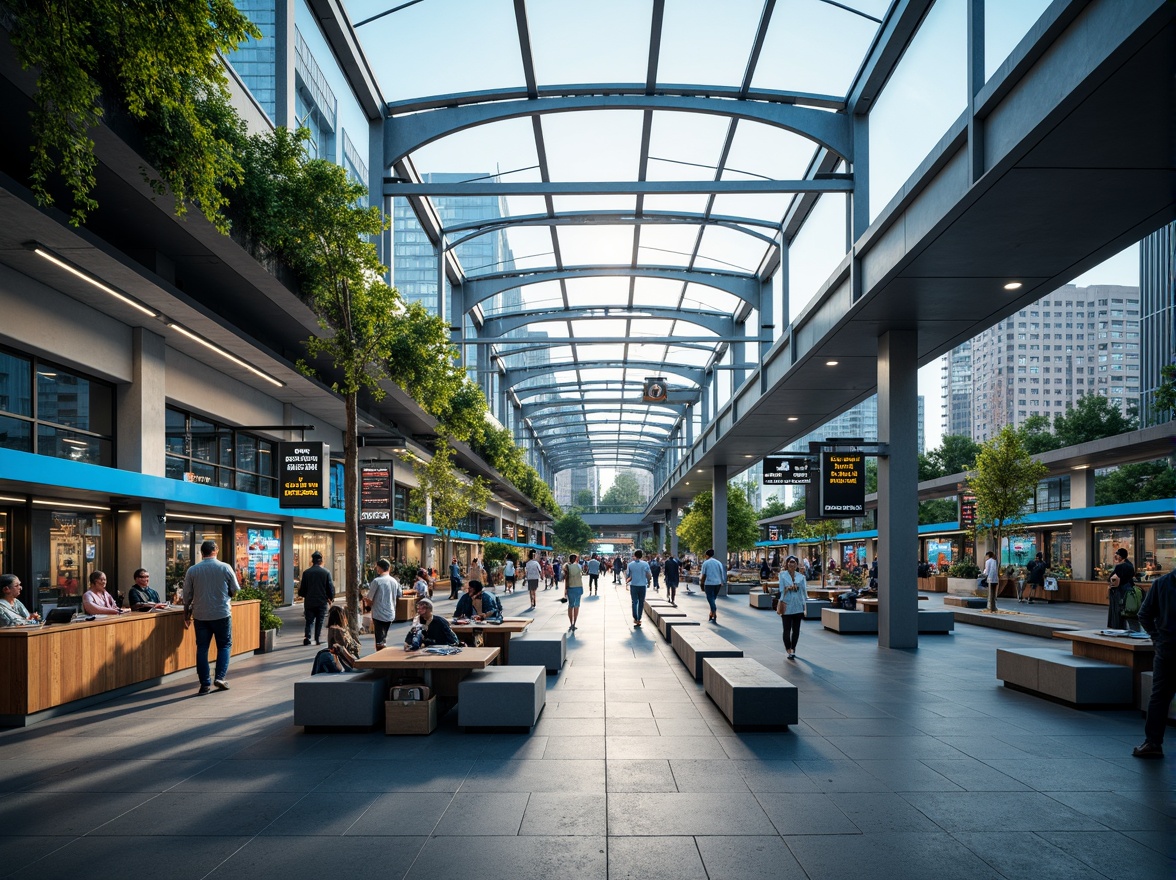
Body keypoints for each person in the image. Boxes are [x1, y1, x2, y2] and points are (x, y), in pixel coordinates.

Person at [183, 540, 240, 695]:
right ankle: (220, 677)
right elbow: (235, 590)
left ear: (202, 553)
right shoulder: (225, 567)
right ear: (216, 550)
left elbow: (186, 596)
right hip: (221, 613)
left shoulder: (192, 570)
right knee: (224, 645)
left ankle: (204, 684)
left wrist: (186, 615)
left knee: (202, 648)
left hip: (200, 615)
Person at [1133, 569, 1175, 759]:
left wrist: (1157, 638)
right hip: (1167, 648)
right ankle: (1152, 742)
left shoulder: (1162, 583)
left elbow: (1144, 614)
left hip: (1167, 648)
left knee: (1160, 696)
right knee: (1159, 696)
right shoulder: (1162, 584)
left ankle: (1153, 743)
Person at [297, 550, 334, 646]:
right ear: (321, 561)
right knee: (319, 620)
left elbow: (302, 589)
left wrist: (303, 594)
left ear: (312, 561)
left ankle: (307, 637)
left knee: (309, 620)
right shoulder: (326, 572)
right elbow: (329, 587)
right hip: (321, 601)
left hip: (309, 601)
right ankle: (317, 638)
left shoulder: (306, 573)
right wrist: (331, 597)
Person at [777, 555, 809, 659]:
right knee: (786, 629)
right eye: (790, 562)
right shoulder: (782, 575)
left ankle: (793, 648)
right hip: (786, 605)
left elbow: (804, 592)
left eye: (794, 562)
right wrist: (788, 588)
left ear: (796, 564)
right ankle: (788, 648)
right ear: (787, 564)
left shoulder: (801, 577)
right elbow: (781, 589)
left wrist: (804, 605)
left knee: (796, 629)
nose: (792, 564)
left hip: (798, 606)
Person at [366, 557, 400, 651]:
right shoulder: (394, 581)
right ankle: (382, 650)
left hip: (379, 613)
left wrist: (365, 601)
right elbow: (399, 594)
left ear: (379, 568)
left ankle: (380, 655)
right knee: (384, 636)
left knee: (379, 638)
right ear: (389, 568)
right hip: (391, 612)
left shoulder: (377, 581)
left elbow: (369, 598)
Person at [326, 604, 362, 669]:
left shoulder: (335, 629)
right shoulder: (337, 631)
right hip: (346, 663)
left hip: (346, 661)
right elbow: (342, 650)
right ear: (341, 616)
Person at [1108, 547, 1135, 629]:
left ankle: (1118, 626)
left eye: (1117, 555)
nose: (1116, 557)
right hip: (1129, 589)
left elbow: (1111, 578)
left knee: (1117, 610)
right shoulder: (1130, 565)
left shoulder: (1119, 567)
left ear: (1120, 556)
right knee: (1127, 609)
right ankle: (1130, 627)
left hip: (1119, 590)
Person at [625, 549, 652, 629]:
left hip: (633, 585)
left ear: (634, 555)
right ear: (641, 555)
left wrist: (627, 582)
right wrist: (649, 581)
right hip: (643, 585)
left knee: (634, 602)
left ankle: (635, 617)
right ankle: (639, 618)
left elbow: (628, 575)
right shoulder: (645, 564)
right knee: (641, 602)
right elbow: (648, 574)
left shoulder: (630, 565)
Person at [699, 548, 727, 623]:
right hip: (717, 583)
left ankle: (714, 610)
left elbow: (704, 575)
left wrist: (702, 584)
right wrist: (722, 581)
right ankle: (711, 613)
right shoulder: (718, 562)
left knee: (710, 598)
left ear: (707, 555)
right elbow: (722, 572)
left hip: (709, 583)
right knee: (713, 598)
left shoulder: (706, 563)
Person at [564, 553, 584, 632]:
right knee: (577, 605)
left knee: (570, 605)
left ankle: (571, 623)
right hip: (578, 587)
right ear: (576, 559)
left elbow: (566, 579)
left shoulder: (566, 567)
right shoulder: (579, 566)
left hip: (570, 588)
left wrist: (565, 590)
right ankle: (574, 623)